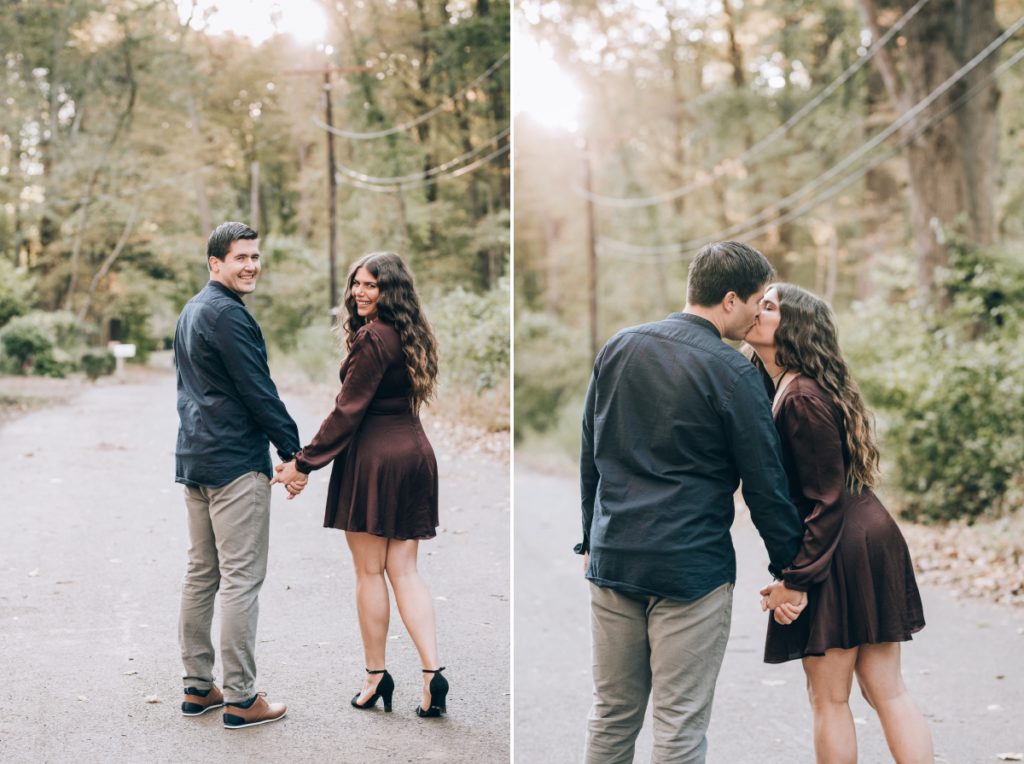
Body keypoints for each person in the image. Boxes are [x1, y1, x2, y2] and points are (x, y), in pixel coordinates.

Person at [578, 240, 807, 763]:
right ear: (730, 300)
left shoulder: (618, 347)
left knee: (612, 713)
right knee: (679, 725)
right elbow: (765, 483)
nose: (755, 315)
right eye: (754, 302)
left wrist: (590, 536)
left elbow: (590, 452)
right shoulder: (732, 372)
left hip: (614, 557)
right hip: (691, 569)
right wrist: (793, 571)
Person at [748, 284, 933, 763]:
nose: (756, 309)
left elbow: (823, 501)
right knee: (885, 690)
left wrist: (796, 580)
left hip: (840, 546)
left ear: (794, 328)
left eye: (768, 306)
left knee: (831, 699)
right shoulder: (789, 385)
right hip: (862, 536)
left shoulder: (801, 397)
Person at [273, 252, 447, 717]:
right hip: (414, 454)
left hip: (376, 460)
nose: (360, 292)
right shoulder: (410, 333)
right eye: (356, 284)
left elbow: (347, 412)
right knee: (406, 571)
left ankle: (376, 677)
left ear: (391, 290)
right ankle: (434, 675)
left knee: (371, 572)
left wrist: (303, 464)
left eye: (371, 285)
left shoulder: (372, 338)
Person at [175, 221, 307, 729]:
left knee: (202, 573)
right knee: (240, 580)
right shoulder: (228, 316)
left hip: (196, 459)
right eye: (240, 258)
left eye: (255, 256)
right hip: (232, 464)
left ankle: (197, 687)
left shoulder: (193, 311)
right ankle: (241, 697)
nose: (251, 265)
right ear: (215, 264)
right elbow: (259, 391)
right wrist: (294, 455)